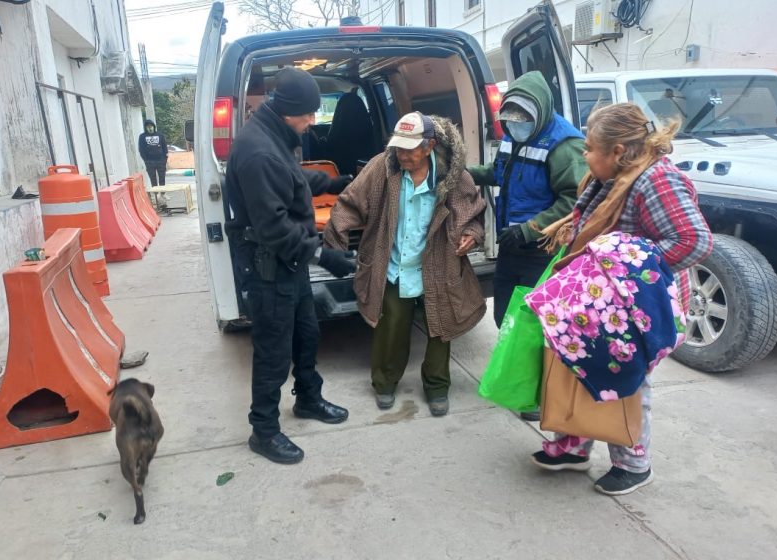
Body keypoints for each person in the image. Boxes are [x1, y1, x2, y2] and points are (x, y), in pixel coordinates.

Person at [530, 102, 713, 495]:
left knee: (625, 384)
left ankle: (633, 464)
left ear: (616, 151)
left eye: (590, 148)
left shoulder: (655, 181)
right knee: (579, 371)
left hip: (635, 309)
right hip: (600, 303)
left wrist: (621, 270)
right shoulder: (613, 176)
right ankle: (574, 448)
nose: (584, 154)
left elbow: (692, 241)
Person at [224, 67, 355, 465]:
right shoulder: (257, 151)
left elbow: (291, 178)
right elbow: (275, 229)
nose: (312, 121)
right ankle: (263, 430)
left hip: (289, 263)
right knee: (273, 351)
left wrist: (334, 182)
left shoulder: (273, 136)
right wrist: (325, 256)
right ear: (288, 111)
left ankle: (308, 399)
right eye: (309, 114)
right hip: (270, 264)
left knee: (306, 333)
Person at [324, 112, 486, 416]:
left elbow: (473, 214)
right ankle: (384, 383)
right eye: (398, 148)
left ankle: (437, 387)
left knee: (441, 330)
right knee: (391, 328)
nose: (402, 155)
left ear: (429, 146)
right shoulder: (381, 170)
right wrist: (335, 247)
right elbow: (348, 203)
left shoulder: (453, 176)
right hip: (395, 266)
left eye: (410, 149)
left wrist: (472, 235)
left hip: (438, 265)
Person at [468, 71, 588, 422]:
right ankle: (520, 383)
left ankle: (539, 395)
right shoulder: (513, 136)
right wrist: (470, 173)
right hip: (512, 245)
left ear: (540, 112)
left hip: (543, 249)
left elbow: (574, 199)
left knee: (537, 324)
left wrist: (530, 230)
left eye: (522, 120)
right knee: (505, 315)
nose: (515, 126)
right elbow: (502, 171)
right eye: (509, 120)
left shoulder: (565, 146)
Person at [138, 119, 168, 187]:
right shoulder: (142, 136)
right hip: (149, 161)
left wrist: (165, 159)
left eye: (151, 126)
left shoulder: (160, 135)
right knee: (152, 178)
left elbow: (164, 147)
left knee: (162, 177)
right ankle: (156, 194)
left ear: (154, 126)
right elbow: (141, 149)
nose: (150, 128)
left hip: (161, 160)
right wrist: (146, 160)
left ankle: (163, 193)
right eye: (148, 126)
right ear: (145, 128)